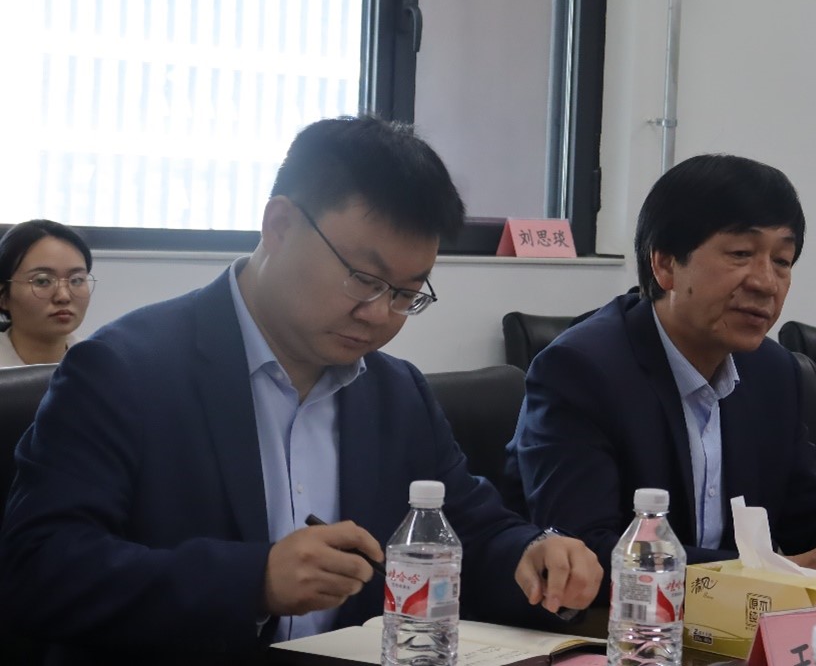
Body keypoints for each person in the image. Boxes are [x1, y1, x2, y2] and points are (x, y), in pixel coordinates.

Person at [0, 117, 601, 662]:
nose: (378, 314)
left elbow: (469, 531)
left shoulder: (396, 394)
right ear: (280, 226)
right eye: (363, 278)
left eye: (405, 293)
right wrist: (254, 580)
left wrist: (532, 554)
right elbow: (37, 568)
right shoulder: (125, 371)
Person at [506, 154, 816, 595]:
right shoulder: (581, 370)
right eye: (740, 254)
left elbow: (812, 512)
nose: (766, 283)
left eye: (782, 260)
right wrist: (789, 571)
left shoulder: (773, 371)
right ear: (665, 265)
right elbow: (589, 553)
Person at [0, 219, 94, 366]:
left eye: (76, 280)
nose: (63, 296)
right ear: (3, 296)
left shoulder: (98, 362)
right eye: (42, 281)